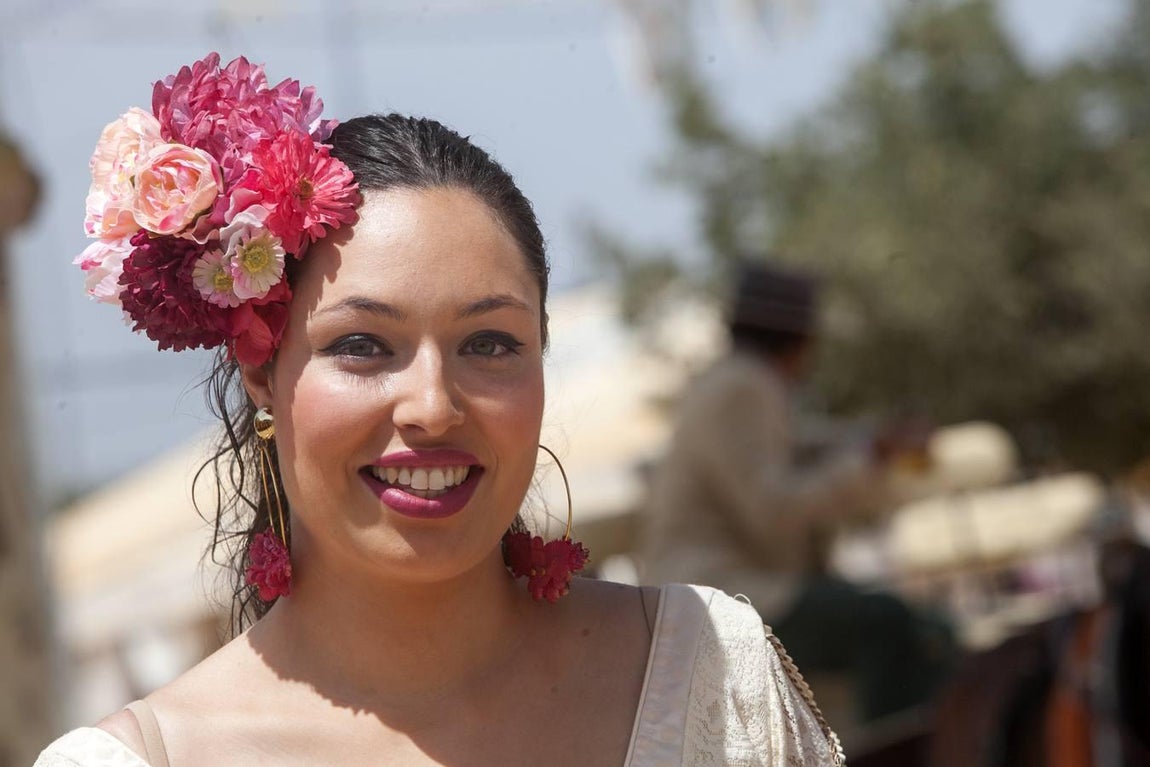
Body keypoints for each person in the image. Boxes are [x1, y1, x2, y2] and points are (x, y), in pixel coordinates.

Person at [36, 55, 844, 766]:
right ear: (259, 369)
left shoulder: (708, 673)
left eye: (489, 344)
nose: (431, 406)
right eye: (363, 345)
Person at [639, 261, 953, 725]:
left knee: (924, 628)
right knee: (889, 624)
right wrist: (867, 459)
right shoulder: (745, 386)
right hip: (724, 595)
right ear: (799, 339)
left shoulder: (733, 380)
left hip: (718, 593)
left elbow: (800, 447)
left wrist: (870, 445)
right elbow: (774, 509)